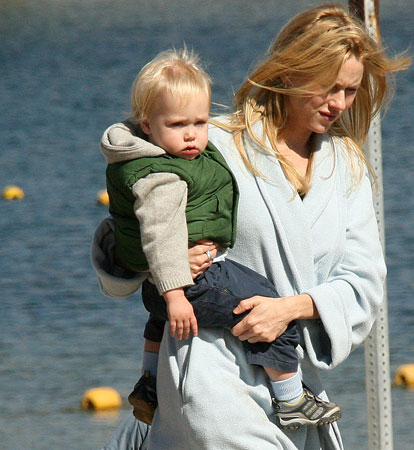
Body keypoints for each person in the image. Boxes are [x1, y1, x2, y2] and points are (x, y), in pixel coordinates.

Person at [92, 2, 410, 450]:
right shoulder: (212, 143)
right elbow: (134, 212)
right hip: (209, 373)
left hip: (291, 380)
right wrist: (161, 261)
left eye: (350, 91)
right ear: (290, 73)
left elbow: (364, 281)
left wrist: (291, 308)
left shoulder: (347, 168)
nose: (339, 103)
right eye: (327, 87)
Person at [101, 48, 342, 429]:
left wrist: (166, 292)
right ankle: (291, 398)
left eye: (200, 122)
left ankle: (148, 383)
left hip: (162, 289)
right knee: (265, 306)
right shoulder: (162, 177)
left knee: (158, 320)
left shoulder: (161, 157)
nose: (192, 134)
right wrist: (175, 293)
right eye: (177, 124)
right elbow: (159, 235)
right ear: (146, 125)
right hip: (192, 283)